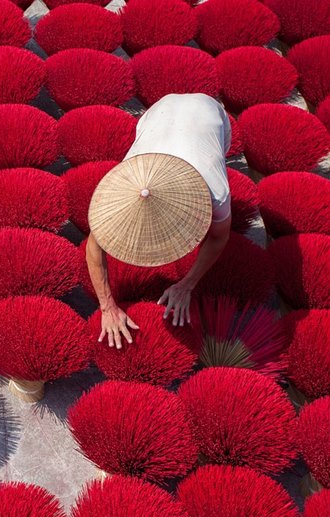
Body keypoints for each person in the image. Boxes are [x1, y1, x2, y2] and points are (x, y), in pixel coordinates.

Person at [85, 93, 233, 348]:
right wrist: (107, 306)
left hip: (208, 113)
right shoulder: (118, 185)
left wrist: (187, 284)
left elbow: (220, 236)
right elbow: (93, 247)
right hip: (159, 111)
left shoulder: (215, 188)